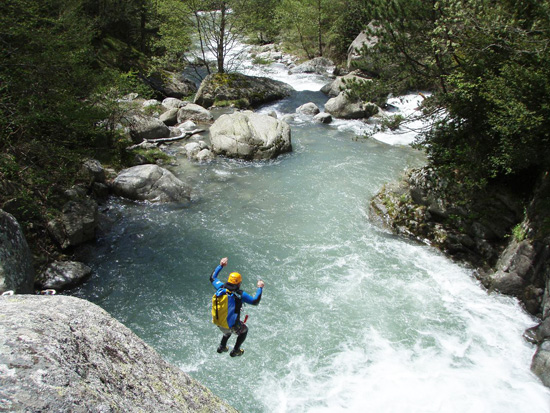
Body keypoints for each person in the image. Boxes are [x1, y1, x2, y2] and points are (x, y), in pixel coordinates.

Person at [210, 257, 264, 357]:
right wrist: (260, 288)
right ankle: (236, 350)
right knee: (244, 330)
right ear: (239, 283)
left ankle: (222, 346)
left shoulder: (221, 287)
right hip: (231, 325)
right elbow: (255, 301)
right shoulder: (240, 294)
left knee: (227, 330)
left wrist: (221, 265)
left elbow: (212, 277)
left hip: (218, 321)